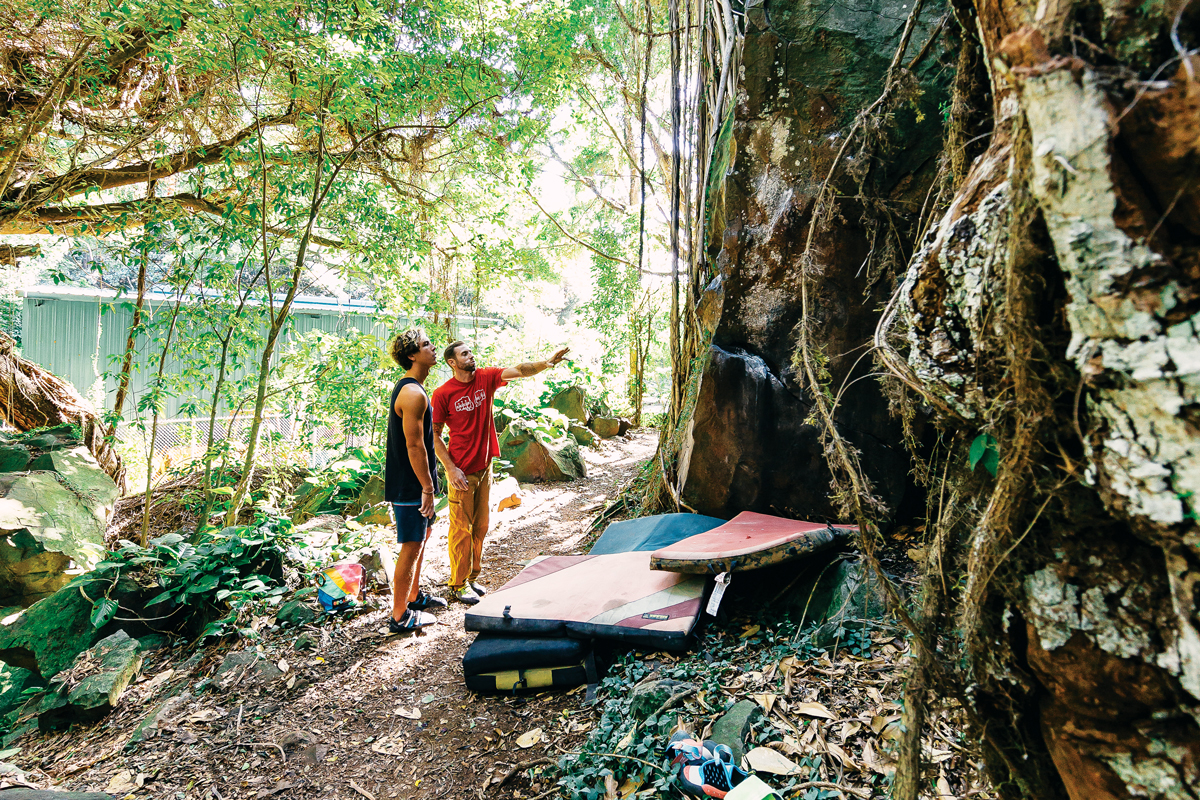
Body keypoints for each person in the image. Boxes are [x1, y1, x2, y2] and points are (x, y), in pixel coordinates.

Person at [432, 341, 570, 603]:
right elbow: (434, 435)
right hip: (462, 471)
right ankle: (457, 583)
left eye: (471, 351)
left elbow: (519, 370)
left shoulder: (485, 377)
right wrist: (450, 469)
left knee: (481, 526)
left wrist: (546, 363)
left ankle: (471, 578)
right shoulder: (442, 394)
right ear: (452, 362)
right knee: (461, 528)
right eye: (465, 354)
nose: (471, 356)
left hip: (485, 467)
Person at [384, 328, 449, 632]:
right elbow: (414, 445)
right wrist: (426, 488)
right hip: (410, 485)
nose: (433, 347)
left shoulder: (414, 389)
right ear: (412, 355)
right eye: (426, 345)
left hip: (419, 483)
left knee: (421, 540)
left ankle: (413, 597)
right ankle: (399, 616)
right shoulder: (412, 393)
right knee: (411, 546)